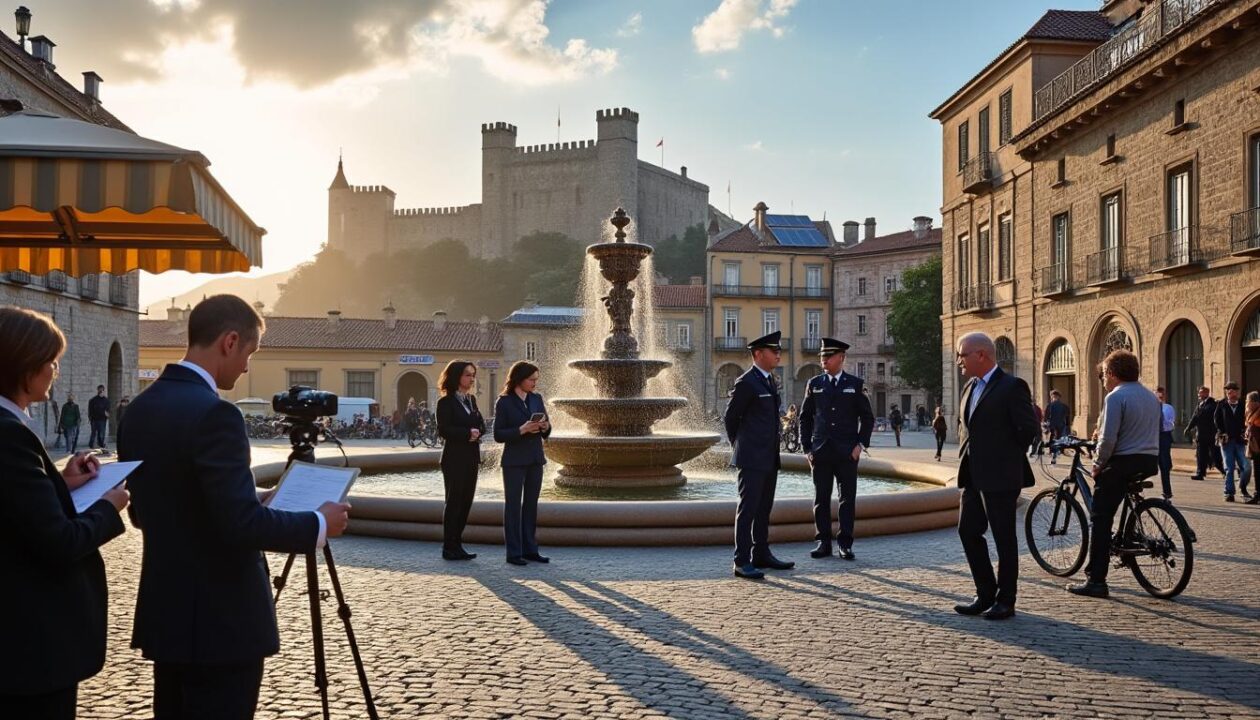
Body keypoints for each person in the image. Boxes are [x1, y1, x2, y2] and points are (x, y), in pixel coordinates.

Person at [117, 295, 351, 720]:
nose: (246, 367)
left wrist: (253, 498)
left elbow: (146, 510)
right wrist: (318, 523)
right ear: (229, 342)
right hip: (220, 622)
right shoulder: (216, 414)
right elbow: (240, 526)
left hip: (168, 614)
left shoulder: (140, 409)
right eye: (249, 352)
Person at [0, 306, 130, 718]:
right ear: (26, 367)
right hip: (28, 648)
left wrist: (61, 482)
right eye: (51, 361)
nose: (55, 370)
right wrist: (108, 507)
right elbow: (57, 541)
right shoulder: (10, 435)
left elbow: (17, 508)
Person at [953, 332, 1038, 621]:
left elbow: (1028, 430)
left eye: (962, 355)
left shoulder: (1012, 386)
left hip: (1001, 477)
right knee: (967, 531)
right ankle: (985, 593)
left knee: (1004, 539)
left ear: (981, 355)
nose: (958, 361)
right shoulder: (969, 387)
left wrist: (1002, 457)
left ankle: (1006, 600)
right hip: (972, 476)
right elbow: (966, 427)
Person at [1068, 351, 1161, 598]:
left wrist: (1097, 464)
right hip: (1149, 460)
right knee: (1117, 501)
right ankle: (1126, 538)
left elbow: (1109, 438)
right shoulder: (1151, 397)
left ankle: (1096, 580)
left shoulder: (1116, 396)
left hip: (1122, 462)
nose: (1103, 381)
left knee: (1100, 518)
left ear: (1111, 373)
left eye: (1103, 375)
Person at [724, 330, 794, 579]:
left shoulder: (769, 381)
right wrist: (740, 445)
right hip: (752, 457)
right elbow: (730, 418)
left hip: (769, 456)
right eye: (773, 351)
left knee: (764, 509)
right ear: (758, 354)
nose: (778, 354)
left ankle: (761, 553)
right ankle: (741, 561)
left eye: (778, 351)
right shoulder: (746, 382)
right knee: (748, 509)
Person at [799, 337, 874, 561]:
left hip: (847, 452)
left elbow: (867, 418)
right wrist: (807, 448)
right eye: (822, 356)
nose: (824, 359)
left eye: (829, 356)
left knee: (847, 499)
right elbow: (805, 418)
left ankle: (845, 543)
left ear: (841, 358)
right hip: (821, 451)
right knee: (821, 499)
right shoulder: (814, 384)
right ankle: (823, 542)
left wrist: (860, 445)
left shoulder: (855, 384)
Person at [493, 361, 552, 566]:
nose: (535, 383)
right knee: (513, 507)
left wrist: (544, 427)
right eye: (531, 379)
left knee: (531, 505)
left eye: (536, 379)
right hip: (514, 461)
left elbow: (547, 431)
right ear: (519, 379)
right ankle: (514, 553)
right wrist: (522, 430)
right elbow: (498, 434)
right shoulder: (504, 402)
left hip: (535, 459)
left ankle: (530, 549)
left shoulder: (536, 398)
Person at [436, 360, 485, 561]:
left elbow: (481, 424)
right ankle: (449, 546)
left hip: (471, 457)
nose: (472, 379)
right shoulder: (445, 402)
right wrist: (467, 433)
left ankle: (458, 544)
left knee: (466, 502)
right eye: (467, 375)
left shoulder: (471, 400)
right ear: (456, 376)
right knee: (454, 502)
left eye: (473, 375)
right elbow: (444, 429)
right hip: (454, 458)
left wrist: (478, 431)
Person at [1214, 381, 1251, 503]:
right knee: (1229, 468)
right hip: (1227, 441)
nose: (1230, 394)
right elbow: (1217, 420)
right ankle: (1229, 492)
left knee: (1246, 466)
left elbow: (1247, 419)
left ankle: (1243, 488)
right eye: (1228, 392)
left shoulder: (1242, 404)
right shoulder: (1221, 404)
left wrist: (1244, 431)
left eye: (1233, 391)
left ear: (1237, 392)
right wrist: (1222, 431)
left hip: (1240, 440)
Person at [1187, 386, 1222, 481]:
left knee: (1215, 455)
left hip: (1211, 435)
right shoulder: (1200, 404)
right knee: (1200, 455)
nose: (1199, 394)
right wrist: (1188, 428)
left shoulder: (1213, 404)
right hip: (1201, 435)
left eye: (1201, 392)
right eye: (1199, 392)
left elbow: (1207, 416)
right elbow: (1194, 417)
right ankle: (1200, 473)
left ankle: (1225, 471)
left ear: (1207, 393)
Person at [1155, 386, 1176, 500]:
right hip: (1153, 436)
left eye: (1162, 394)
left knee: (1164, 465)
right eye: (1158, 394)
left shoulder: (1168, 408)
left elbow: (1170, 424)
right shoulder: (1151, 408)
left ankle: (1167, 492)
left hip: (1164, 436)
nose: (1160, 396)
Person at [1045, 390, 1070, 464]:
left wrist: (1046, 424)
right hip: (1060, 425)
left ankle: (1053, 452)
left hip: (1054, 425)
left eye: (1054, 396)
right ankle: (1058, 451)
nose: (1054, 398)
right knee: (1058, 438)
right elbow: (1067, 417)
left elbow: (1046, 417)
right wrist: (1067, 426)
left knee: (1053, 438)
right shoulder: (1064, 406)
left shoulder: (1050, 406)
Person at [1245, 391, 1260, 505]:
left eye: (1248, 401)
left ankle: (1257, 494)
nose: (1246, 403)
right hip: (1255, 447)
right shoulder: (1250, 413)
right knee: (1257, 472)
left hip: (1258, 446)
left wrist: (1252, 429)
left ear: (1254, 402)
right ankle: (1257, 494)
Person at [87, 385, 110, 454]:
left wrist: (107, 414)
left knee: (101, 434)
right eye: (100, 390)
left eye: (102, 390)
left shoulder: (106, 400)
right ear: (97, 390)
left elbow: (108, 410)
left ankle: (101, 446)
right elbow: (90, 410)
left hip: (102, 419)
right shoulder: (93, 400)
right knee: (93, 433)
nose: (101, 391)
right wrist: (90, 417)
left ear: (104, 390)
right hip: (94, 419)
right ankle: (91, 445)